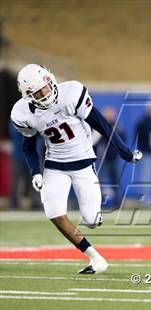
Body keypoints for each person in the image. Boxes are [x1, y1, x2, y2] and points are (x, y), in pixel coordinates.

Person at [10, 64, 142, 274]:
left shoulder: (71, 93)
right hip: (55, 165)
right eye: (39, 92)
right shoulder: (22, 113)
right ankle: (96, 258)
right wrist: (35, 171)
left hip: (83, 162)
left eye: (46, 87)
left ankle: (95, 217)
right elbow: (29, 146)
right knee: (54, 212)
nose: (46, 94)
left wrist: (124, 151)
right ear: (28, 96)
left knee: (91, 221)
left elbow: (101, 123)